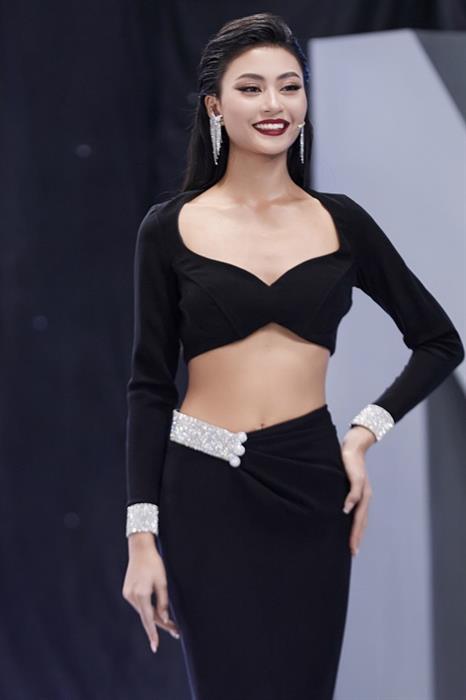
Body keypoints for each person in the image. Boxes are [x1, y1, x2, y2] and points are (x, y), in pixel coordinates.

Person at [121, 12, 464, 700]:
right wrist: (141, 538)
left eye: (289, 86)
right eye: (251, 88)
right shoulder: (169, 228)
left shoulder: (341, 221)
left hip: (311, 486)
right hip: (204, 491)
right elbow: (149, 387)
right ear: (216, 106)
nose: (274, 104)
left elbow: (439, 341)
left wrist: (362, 435)